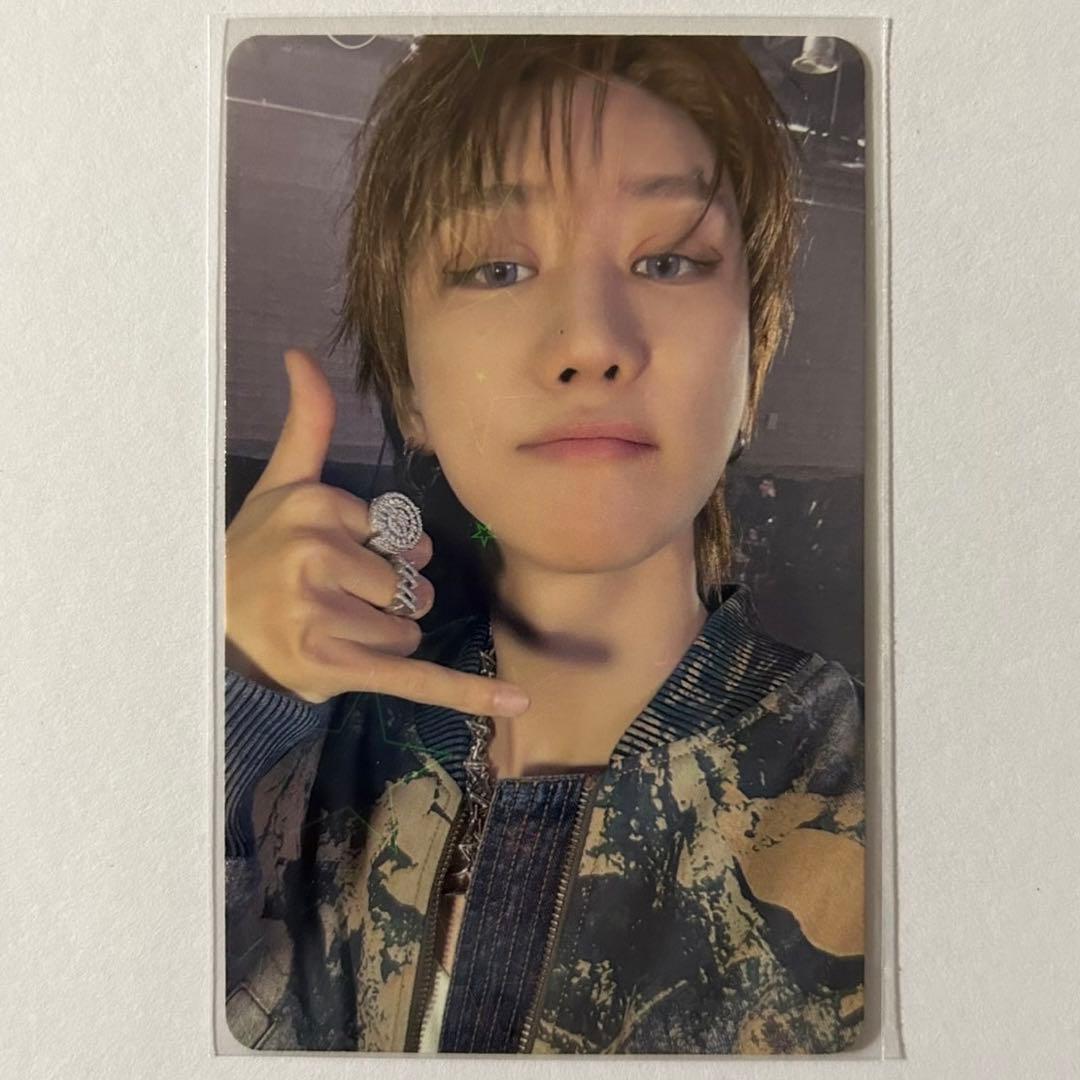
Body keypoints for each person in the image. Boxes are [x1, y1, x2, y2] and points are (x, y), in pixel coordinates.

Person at [223, 35, 865, 1055]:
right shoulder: (309, 771)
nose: (591, 342)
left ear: (753, 358)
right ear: (408, 385)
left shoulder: (894, 795)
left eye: (667, 261)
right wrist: (230, 694)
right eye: (497, 267)